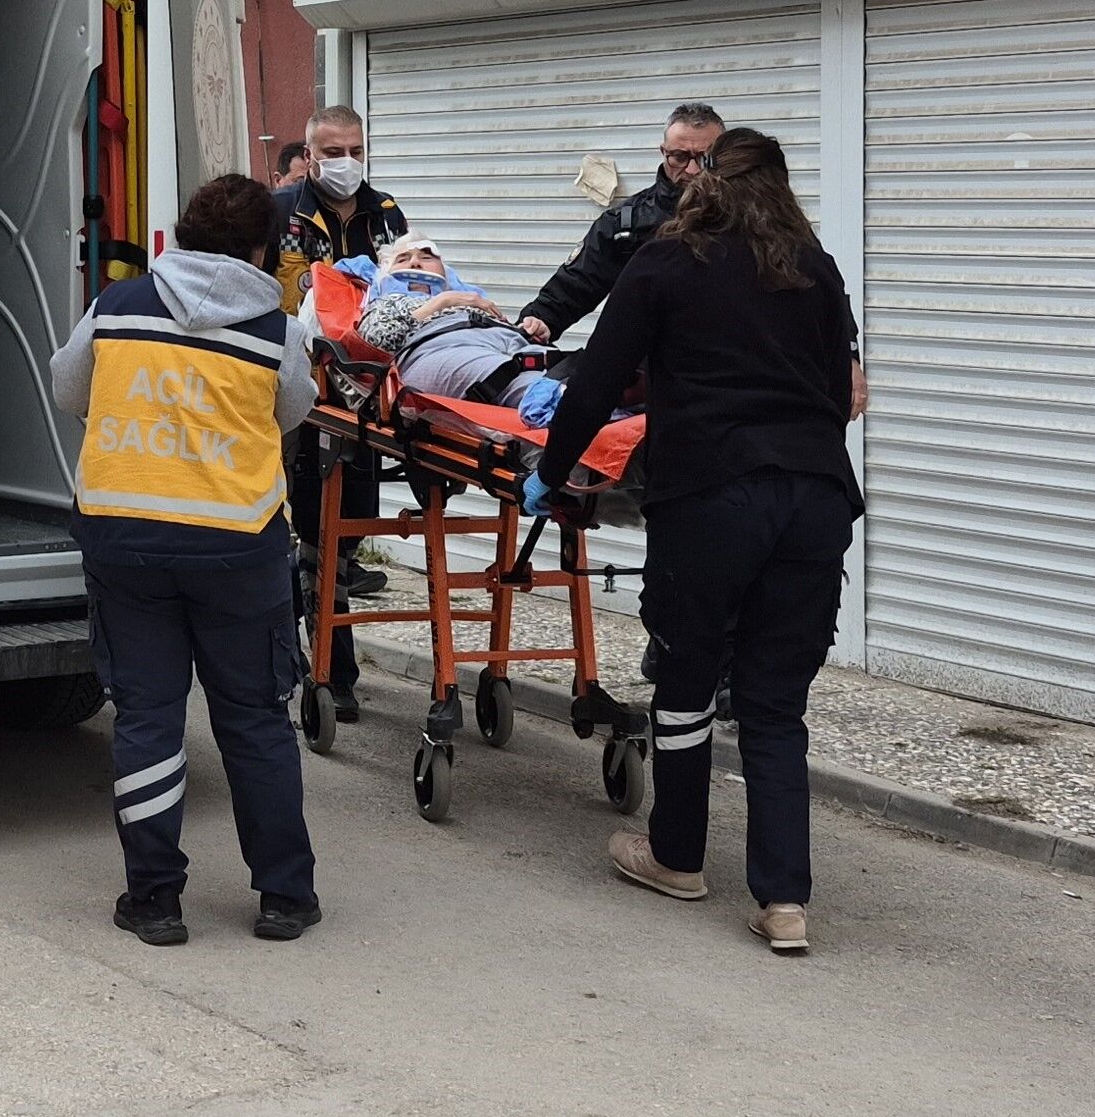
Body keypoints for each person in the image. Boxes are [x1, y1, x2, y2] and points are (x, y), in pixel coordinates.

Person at [533, 128, 867, 958]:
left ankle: (677, 857)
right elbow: (840, 392)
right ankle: (785, 900)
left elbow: (599, 378)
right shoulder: (814, 267)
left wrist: (552, 470)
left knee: (687, 676)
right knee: (774, 700)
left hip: (713, 496)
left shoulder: (667, 260)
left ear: (703, 180)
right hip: (815, 496)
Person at [48, 173, 323, 947]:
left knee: (147, 720)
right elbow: (292, 412)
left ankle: (156, 901)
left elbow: (71, 389)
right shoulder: (276, 332)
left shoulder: (116, 307)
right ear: (262, 248)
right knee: (254, 723)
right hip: (239, 550)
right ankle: (283, 897)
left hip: (126, 543)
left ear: (180, 235)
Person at [271, 108, 409, 672]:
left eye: (354, 150)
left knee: (344, 525)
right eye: (332, 153)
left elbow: (405, 288)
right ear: (309, 155)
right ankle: (306, 657)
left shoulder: (386, 215)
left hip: (359, 391)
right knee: (291, 520)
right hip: (289, 382)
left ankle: (329, 639)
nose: (345, 163)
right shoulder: (281, 212)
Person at [516, 104, 727, 347]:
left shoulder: (755, 218)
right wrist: (539, 321)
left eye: (704, 158)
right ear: (663, 152)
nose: (693, 169)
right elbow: (576, 285)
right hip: (652, 372)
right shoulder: (625, 225)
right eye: (679, 157)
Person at [351, 234, 540, 403]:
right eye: (402, 259)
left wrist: (530, 329)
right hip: (436, 348)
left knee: (563, 370)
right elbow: (377, 339)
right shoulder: (386, 302)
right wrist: (443, 301)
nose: (416, 263)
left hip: (499, 342)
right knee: (523, 384)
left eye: (426, 257)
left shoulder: (470, 299)